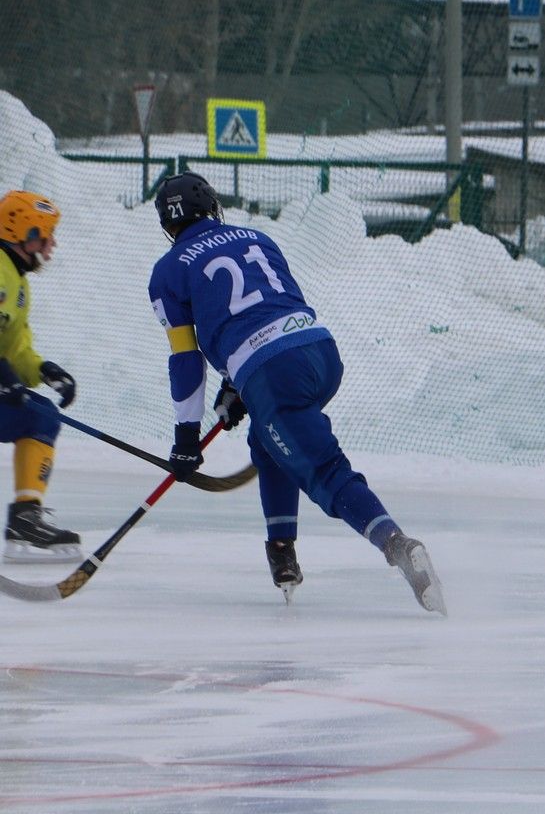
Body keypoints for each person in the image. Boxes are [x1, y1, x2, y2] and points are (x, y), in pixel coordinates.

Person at [147, 171, 444, 612]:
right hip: (319, 351)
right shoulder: (257, 237)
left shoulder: (167, 271)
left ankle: (398, 545)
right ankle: (281, 552)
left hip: (273, 372)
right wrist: (238, 386)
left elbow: (186, 360)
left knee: (324, 471)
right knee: (269, 441)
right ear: (211, 207)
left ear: (168, 226)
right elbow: (268, 307)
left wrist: (187, 438)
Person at [0, 190, 80, 563]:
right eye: (47, 234)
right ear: (26, 233)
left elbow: (14, 352)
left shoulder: (17, 281)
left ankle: (25, 518)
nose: (52, 244)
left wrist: (45, 371)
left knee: (41, 414)